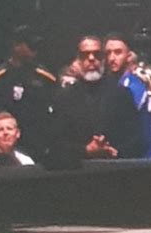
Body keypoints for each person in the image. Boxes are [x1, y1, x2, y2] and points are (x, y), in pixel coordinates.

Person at [48, 36, 144, 167]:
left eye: (97, 54)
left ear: (103, 59)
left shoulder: (121, 94)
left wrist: (115, 152)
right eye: (85, 55)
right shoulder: (64, 98)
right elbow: (55, 144)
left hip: (115, 171)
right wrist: (86, 150)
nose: (91, 59)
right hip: (77, 174)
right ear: (78, 59)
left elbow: (136, 137)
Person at [0, 25, 56, 162]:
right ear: (16, 46)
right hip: (5, 147)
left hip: (38, 145)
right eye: (30, 45)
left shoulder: (45, 77)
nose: (34, 50)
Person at [103, 33, 151, 158]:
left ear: (129, 56)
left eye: (118, 52)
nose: (112, 58)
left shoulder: (133, 86)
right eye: (108, 53)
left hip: (140, 158)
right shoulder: (113, 85)